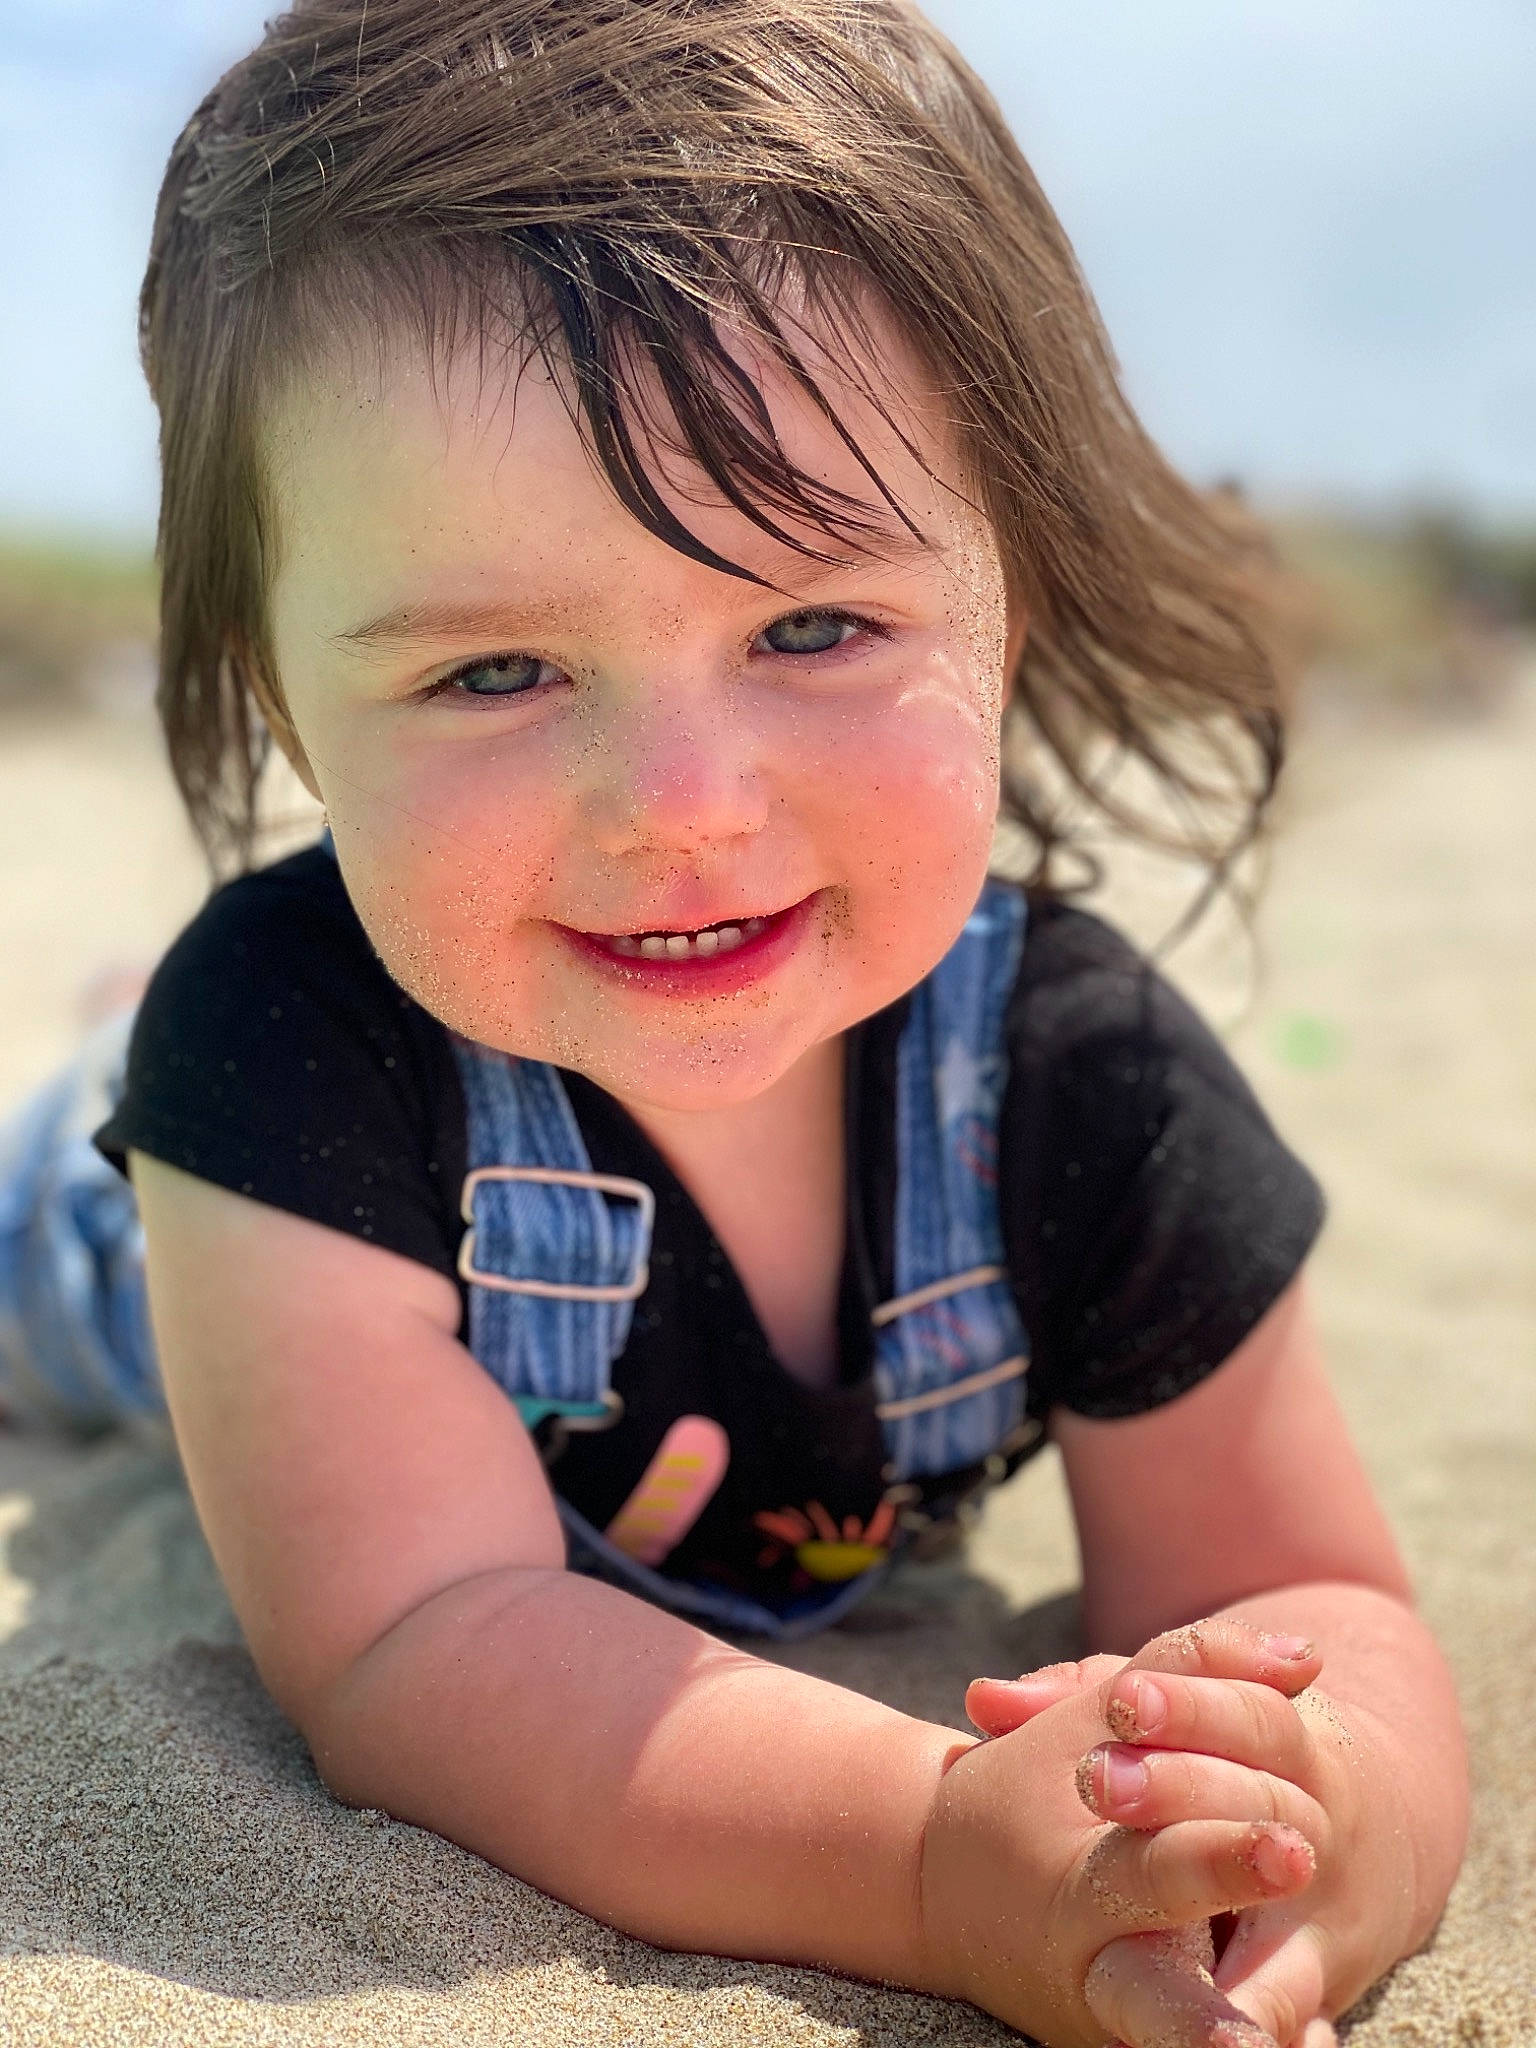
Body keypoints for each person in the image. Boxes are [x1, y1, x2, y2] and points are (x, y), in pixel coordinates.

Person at [0, 3, 1467, 2043]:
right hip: (186, 1259)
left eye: (811, 626)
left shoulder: (1079, 1085)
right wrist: (938, 1845)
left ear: (1007, 601)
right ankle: (101, 1088)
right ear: (276, 694)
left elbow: (1312, 1592)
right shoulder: (290, 1051)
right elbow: (422, 1632)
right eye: (496, 669)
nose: (680, 805)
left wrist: (1324, 1808)